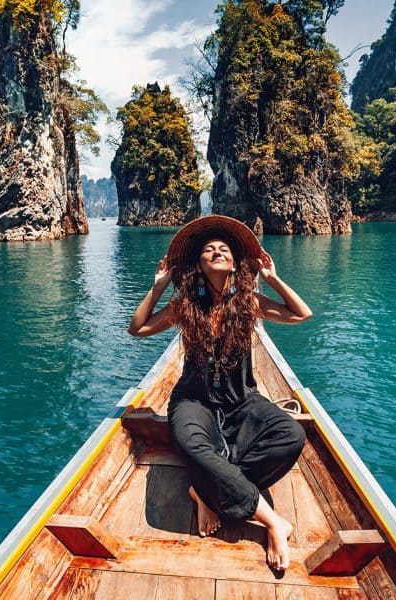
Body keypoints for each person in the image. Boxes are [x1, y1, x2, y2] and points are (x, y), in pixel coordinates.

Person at [127, 215, 313, 572]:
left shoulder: (249, 302)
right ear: (199, 263)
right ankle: (273, 521)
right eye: (208, 249)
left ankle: (204, 490)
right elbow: (138, 329)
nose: (216, 251)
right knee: (193, 443)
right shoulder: (186, 305)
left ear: (233, 263)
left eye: (223, 249)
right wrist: (159, 286)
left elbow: (301, 314)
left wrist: (273, 279)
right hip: (193, 401)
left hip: (242, 400)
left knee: (291, 435)